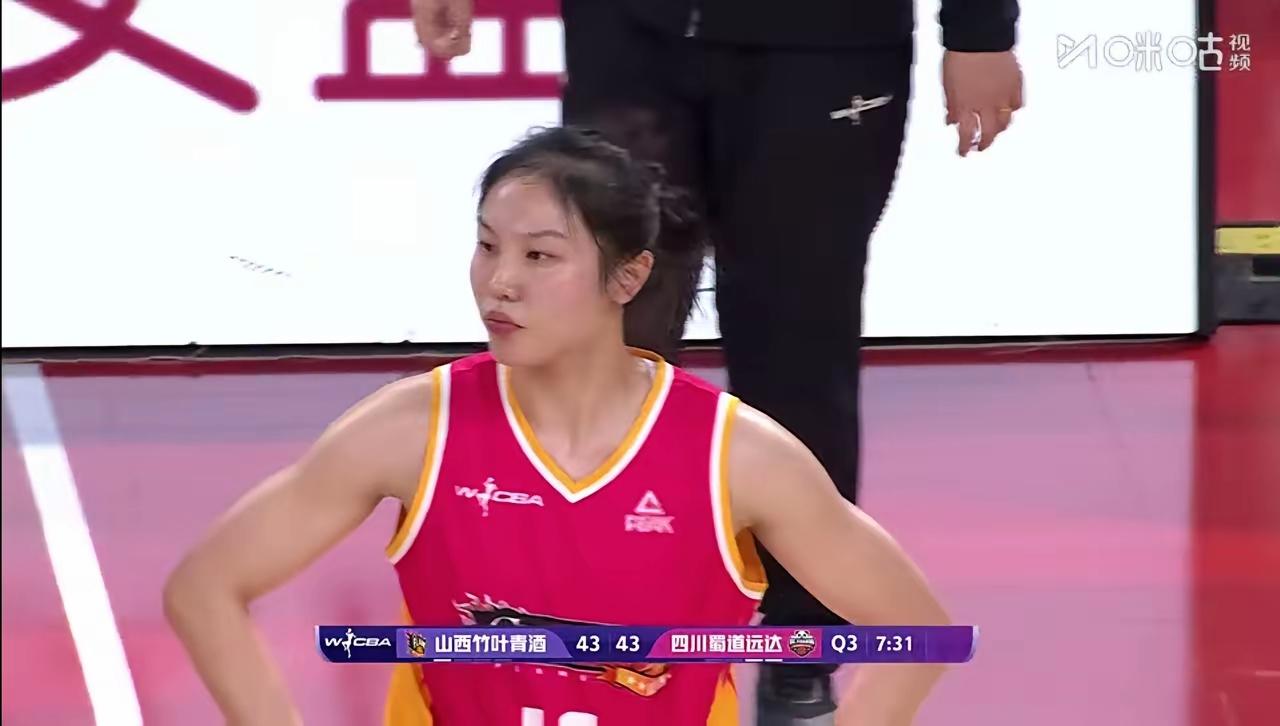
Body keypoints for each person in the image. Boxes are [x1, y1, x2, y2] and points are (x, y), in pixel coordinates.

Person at [163, 126, 951, 726]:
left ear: (628, 277)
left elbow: (917, 632)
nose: (499, 282)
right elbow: (205, 589)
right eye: (487, 247)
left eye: (539, 257)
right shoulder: (413, 428)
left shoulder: (736, 456)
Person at [412, 0, 1022, 719]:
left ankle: (801, 645)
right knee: (594, 334)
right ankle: (570, 618)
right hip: (630, 35)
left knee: (798, 345)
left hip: (827, 48)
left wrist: (981, 30)